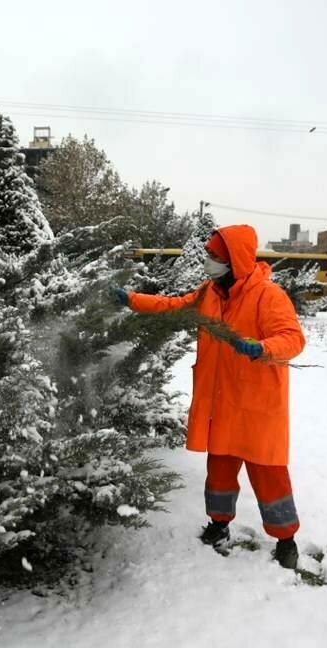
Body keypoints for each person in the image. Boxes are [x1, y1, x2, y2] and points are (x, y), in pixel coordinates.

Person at [111, 225, 306, 569]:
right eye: (210, 255)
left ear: (235, 260)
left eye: (215, 256)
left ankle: (285, 538)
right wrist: (131, 300)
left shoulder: (268, 296)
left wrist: (262, 348)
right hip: (221, 402)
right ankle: (219, 525)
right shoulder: (210, 293)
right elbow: (173, 306)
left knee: (270, 475)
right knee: (219, 472)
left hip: (258, 407)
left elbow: (292, 338)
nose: (209, 261)